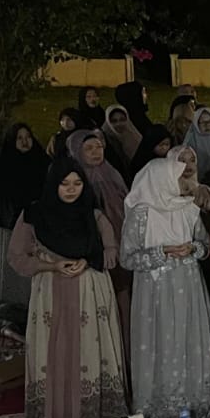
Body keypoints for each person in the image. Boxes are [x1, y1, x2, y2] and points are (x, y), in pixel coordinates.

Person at [6, 157, 130, 418]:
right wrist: (51, 266)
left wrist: (88, 259)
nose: (72, 189)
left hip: (90, 291)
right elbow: (16, 256)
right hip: (51, 292)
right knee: (55, 352)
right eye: (65, 184)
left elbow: (111, 251)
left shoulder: (94, 214)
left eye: (77, 183)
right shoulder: (34, 215)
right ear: (53, 185)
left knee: (89, 350)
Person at [120, 156, 210, 418]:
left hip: (187, 285)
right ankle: (157, 406)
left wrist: (192, 250)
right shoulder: (141, 213)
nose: (184, 182)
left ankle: (192, 402)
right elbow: (127, 258)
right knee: (159, 340)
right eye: (177, 177)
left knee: (187, 337)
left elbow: (205, 246)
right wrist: (160, 252)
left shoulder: (189, 209)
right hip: (154, 291)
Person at [68, 129, 133, 339]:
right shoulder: (73, 181)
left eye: (99, 147)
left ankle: (125, 345)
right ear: (77, 151)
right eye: (89, 148)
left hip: (121, 240)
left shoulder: (112, 172)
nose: (96, 152)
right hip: (92, 248)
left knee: (123, 293)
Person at [0, 123, 51, 306]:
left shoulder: (42, 161)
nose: (25, 142)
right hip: (15, 224)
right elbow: (1, 196)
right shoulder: (6, 165)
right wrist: (16, 218)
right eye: (19, 138)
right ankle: (16, 302)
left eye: (28, 137)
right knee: (16, 262)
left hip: (41, 223)